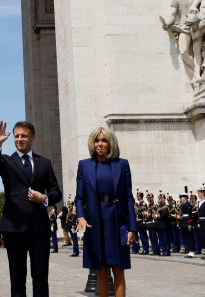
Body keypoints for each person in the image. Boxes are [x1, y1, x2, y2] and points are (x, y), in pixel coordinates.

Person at [0, 120, 63, 297]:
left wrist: (44, 198)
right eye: (16, 136)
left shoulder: (44, 163)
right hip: (13, 228)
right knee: (17, 280)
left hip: (39, 228)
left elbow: (56, 191)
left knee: (40, 279)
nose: (20, 139)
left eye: (24, 136)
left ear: (33, 138)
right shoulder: (6, 161)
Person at [74, 126, 137, 297]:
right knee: (100, 269)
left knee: (118, 268)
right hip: (95, 221)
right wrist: (81, 217)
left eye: (104, 140)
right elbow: (79, 197)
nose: (100, 144)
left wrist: (132, 228)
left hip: (117, 221)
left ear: (110, 143)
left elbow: (128, 198)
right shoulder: (84, 166)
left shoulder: (122, 164)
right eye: (96, 140)